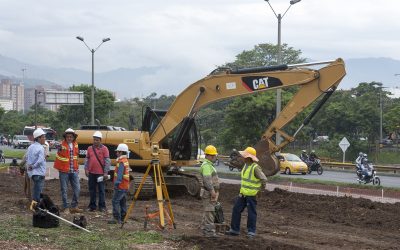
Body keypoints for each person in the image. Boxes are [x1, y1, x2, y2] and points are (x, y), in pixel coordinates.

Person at [226, 146, 267, 238]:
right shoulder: (245, 166)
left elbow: (264, 179)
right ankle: (234, 230)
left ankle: (251, 232)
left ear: (248, 157)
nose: (243, 157)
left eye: (244, 155)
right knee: (236, 209)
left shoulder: (255, 168)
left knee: (251, 213)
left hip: (251, 195)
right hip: (243, 194)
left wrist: (260, 191)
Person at [54, 128, 82, 213]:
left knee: (77, 189)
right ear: (65, 137)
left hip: (74, 171)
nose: (69, 138)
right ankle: (66, 207)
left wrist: (77, 168)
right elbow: (58, 151)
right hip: (64, 171)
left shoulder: (76, 145)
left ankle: (74, 206)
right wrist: (58, 147)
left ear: (73, 137)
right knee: (64, 189)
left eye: (71, 137)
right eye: (67, 137)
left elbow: (76, 157)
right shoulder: (61, 145)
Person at [84, 131, 111, 212]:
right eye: (94, 140)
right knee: (92, 190)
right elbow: (87, 159)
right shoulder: (89, 148)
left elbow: (107, 161)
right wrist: (86, 169)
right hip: (91, 173)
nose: (95, 141)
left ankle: (102, 206)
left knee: (101, 190)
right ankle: (92, 206)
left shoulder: (105, 149)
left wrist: (106, 172)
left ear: (100, 140)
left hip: (100, 173)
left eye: (97, 140)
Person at [200, 145, 220, 237]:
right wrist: (212, 191)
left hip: (209, 192)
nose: (214, 157)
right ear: (207, 156)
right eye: (213, 156)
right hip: (208, 193)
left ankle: (204, 229)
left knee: (208, 211)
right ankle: (209, 232)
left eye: (214, 156)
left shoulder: (209, 165)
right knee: (210, 211)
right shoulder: (207, 166)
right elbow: (207, 180)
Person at [108, 143, 130, 224]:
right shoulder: (125, 161)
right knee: (122, 201)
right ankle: (124, 217)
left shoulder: (121, 162)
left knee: (115, 201)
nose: (116, 153)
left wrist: (116, 184)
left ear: (121, 152)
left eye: (117, 152)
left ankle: (116, 218)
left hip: (120, 186)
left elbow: (119, 175)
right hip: (125, 185)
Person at [26, 128, 47, 202]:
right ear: (38, 138)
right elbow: (40, 160)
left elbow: (27, 158)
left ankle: (35, 205)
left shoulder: (30, 147)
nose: (44, 138)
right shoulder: (41, 148)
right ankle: (37, 207)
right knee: (38, 192)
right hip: (39, 173)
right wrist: (33, 166)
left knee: (36, 189)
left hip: (33, 174)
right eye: (43, 137)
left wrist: (30, 168)